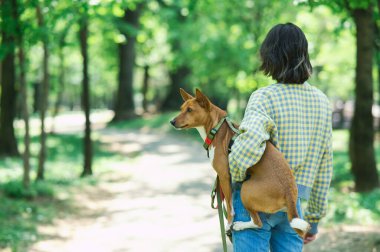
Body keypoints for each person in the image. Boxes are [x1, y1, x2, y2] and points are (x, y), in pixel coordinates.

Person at [228, 23, 333, 251]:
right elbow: (325, 164)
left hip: (256, 200)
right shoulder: (322, 102)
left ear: (270, 57)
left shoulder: (264, 98)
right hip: (293, 205)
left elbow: (246, 149)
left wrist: (235, 182)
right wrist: (313, 221)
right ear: (304, 55)